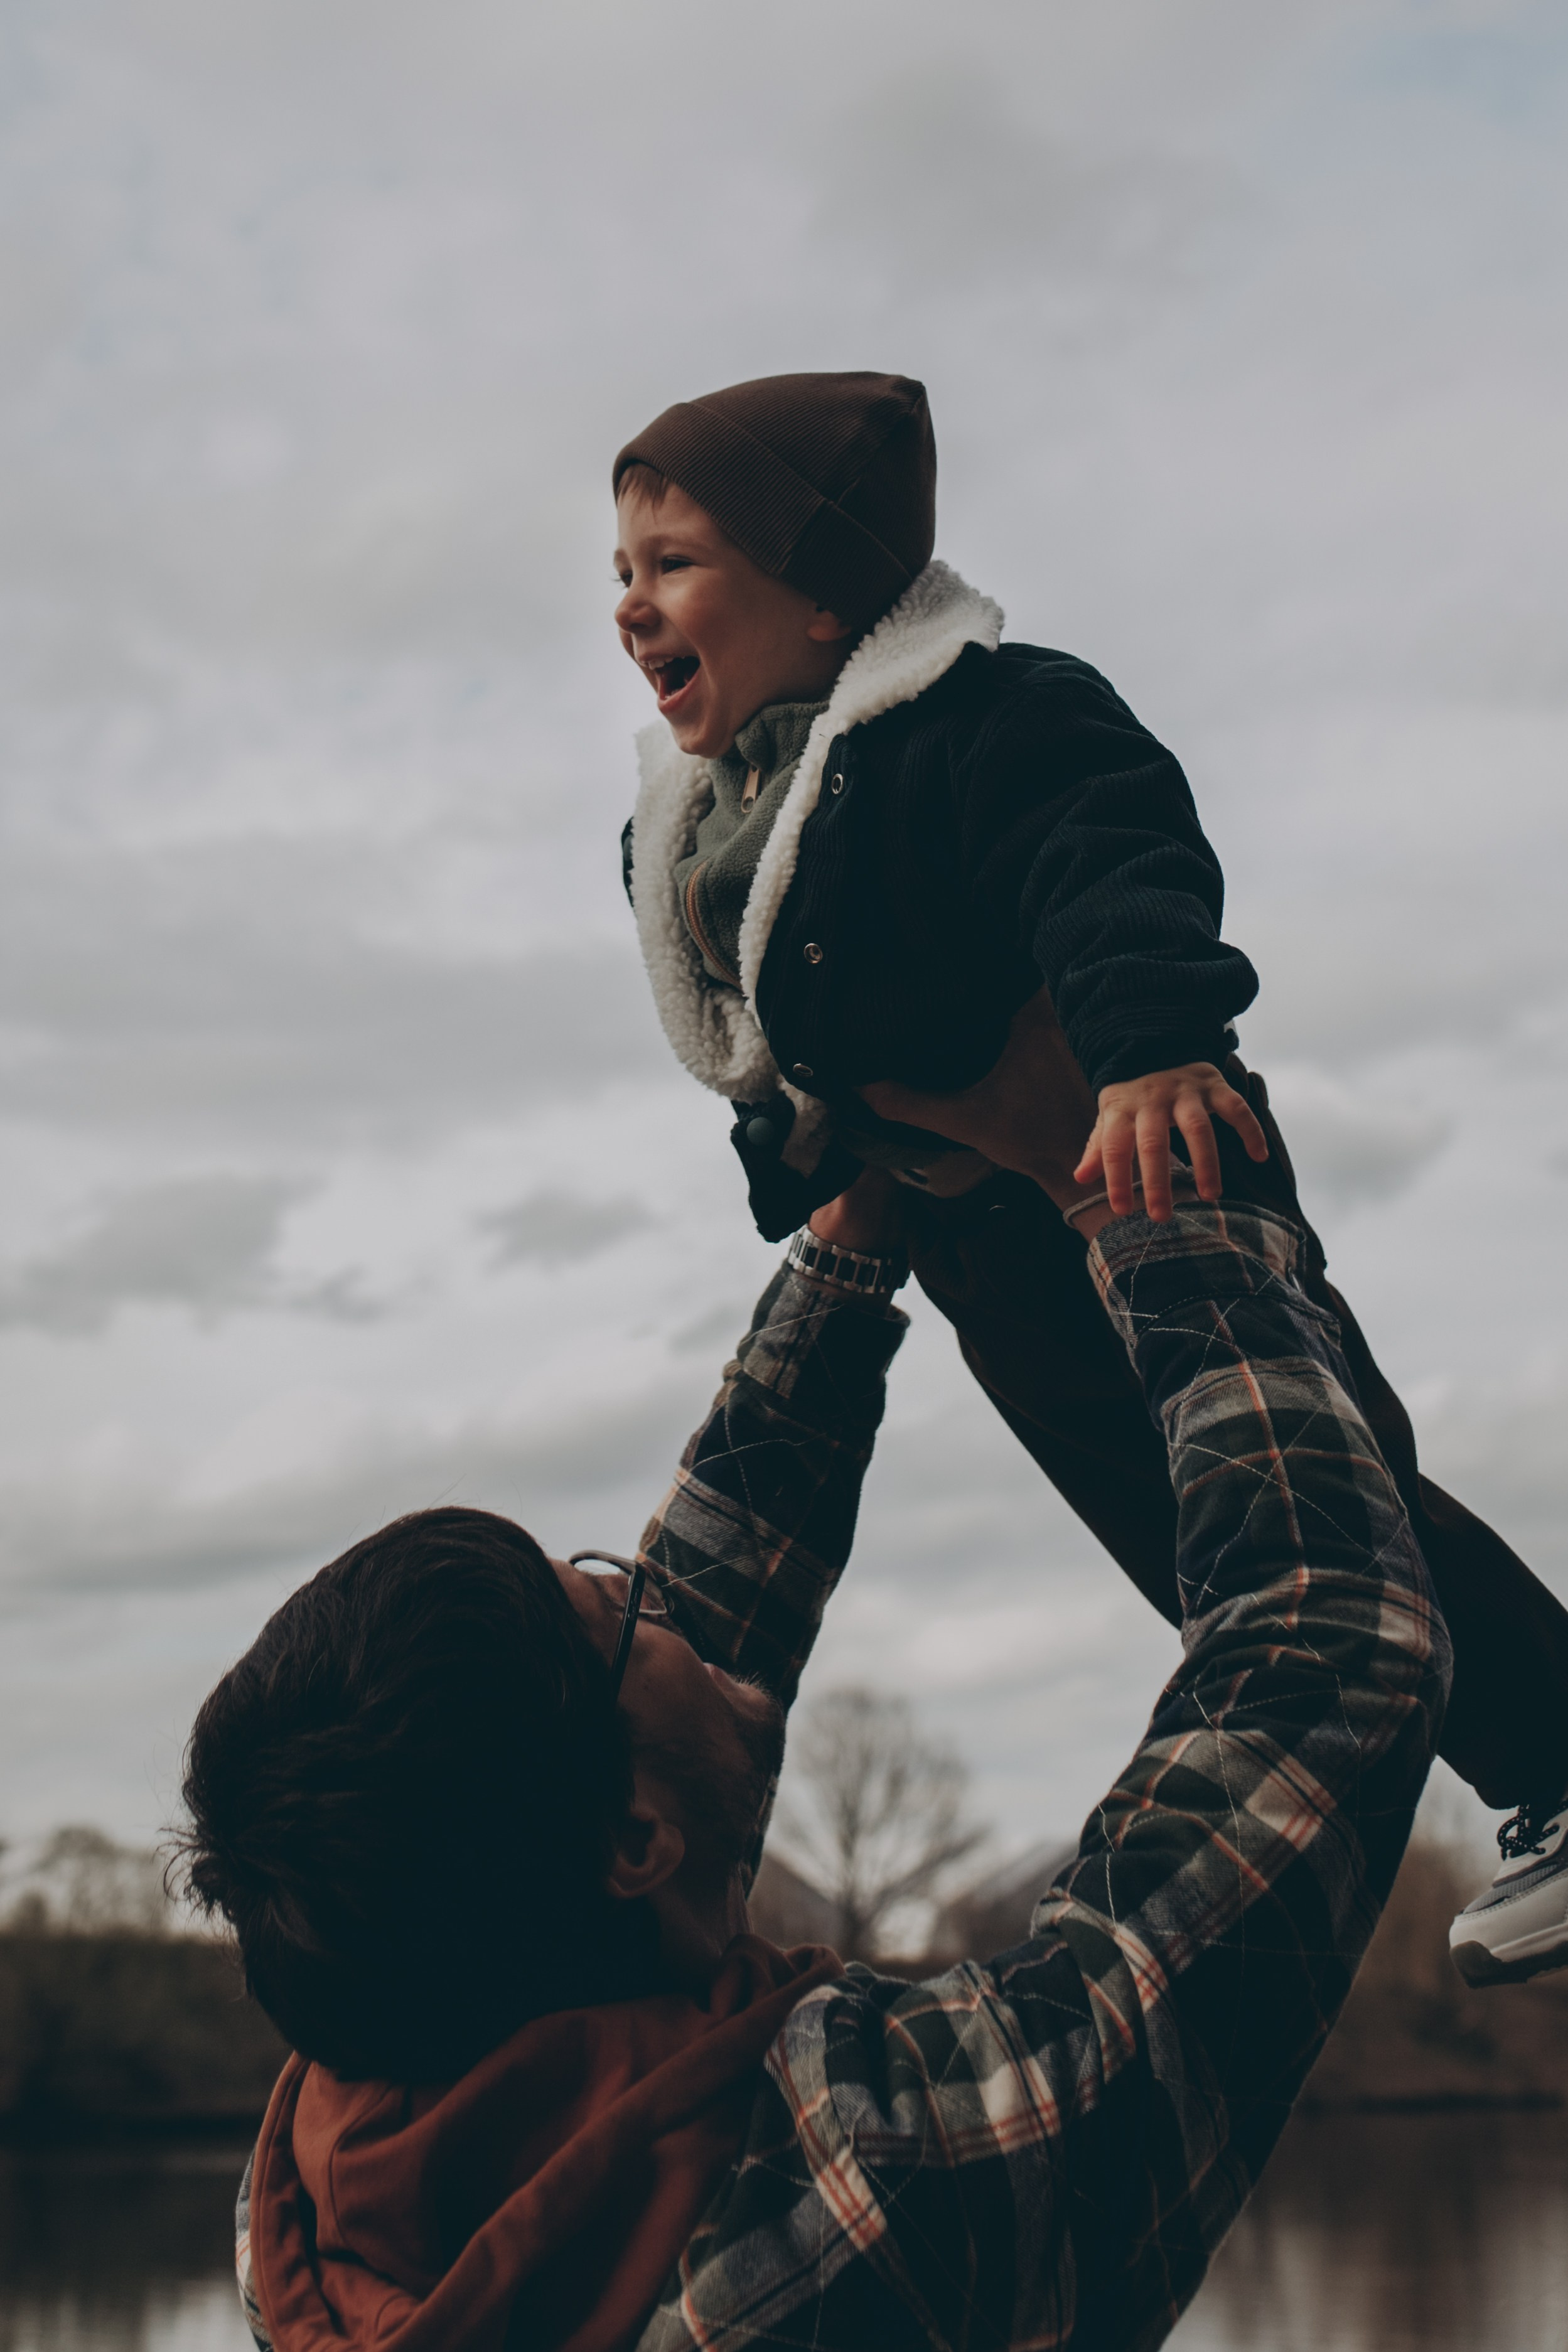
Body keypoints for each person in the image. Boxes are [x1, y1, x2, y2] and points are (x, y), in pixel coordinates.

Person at [611, 369, 1568, 1977]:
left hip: (1147, 1145)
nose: (634, 608)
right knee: (1192, 1545)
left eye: (675, 564)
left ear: (824, 579)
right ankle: (1439, 1781)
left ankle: (1551, 1755)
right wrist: (813, 1172)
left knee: (1329, 1490)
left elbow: (1111, 856)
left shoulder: (983, 714)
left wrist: (1151, 1046)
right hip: (985, 1243)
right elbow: (785, 1040)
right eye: (620, 577)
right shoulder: (712, 819)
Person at [186, 1139, 1449, 2352]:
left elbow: (656, 1703)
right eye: (615, 1600)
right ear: (633, 1842)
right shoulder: (883, 2184)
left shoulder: (331, 2145)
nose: (656, 1595)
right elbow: (1327, 1644)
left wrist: (846, 1255)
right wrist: (1151, 1205)